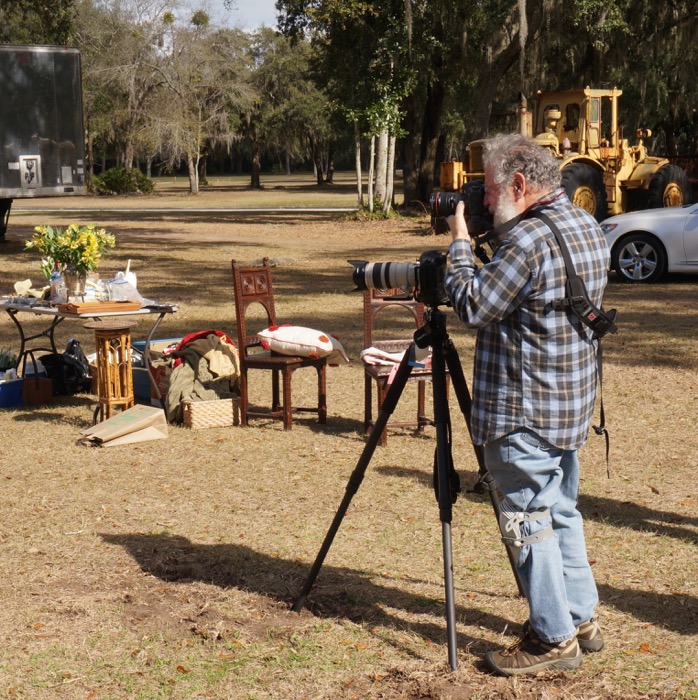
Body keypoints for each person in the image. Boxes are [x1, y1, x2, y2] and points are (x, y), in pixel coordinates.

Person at [444, 133, 609, 676]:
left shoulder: (527, 243)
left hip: (523, 411)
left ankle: (553, 639)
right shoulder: (587, 224)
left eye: (489, 192)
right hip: (568, 405)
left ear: (518, 184)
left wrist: (461, 242)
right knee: (561, 510)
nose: (484, 201)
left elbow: (473, 305)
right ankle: (581, 617)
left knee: (526, 520)